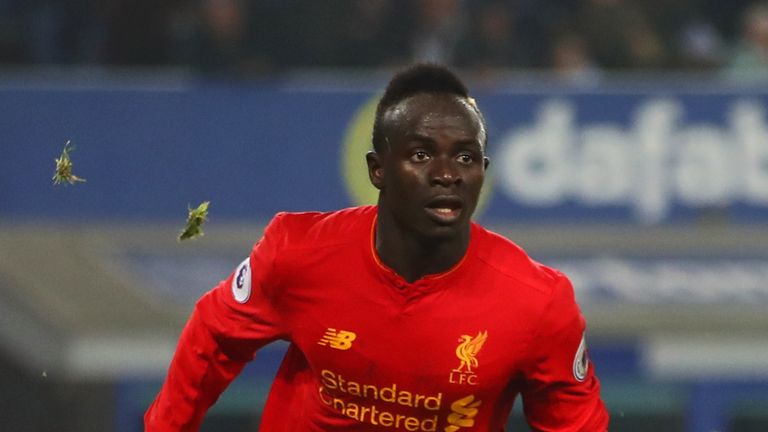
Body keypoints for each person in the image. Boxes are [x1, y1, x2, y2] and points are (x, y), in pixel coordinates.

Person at [145, 63, 609, 431]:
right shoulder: (297, 253)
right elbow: (214, 334)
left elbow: (575, 423)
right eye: (422, 154)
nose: (447, 174)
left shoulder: (538, 302)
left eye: (465, 157)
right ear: (377, 170)